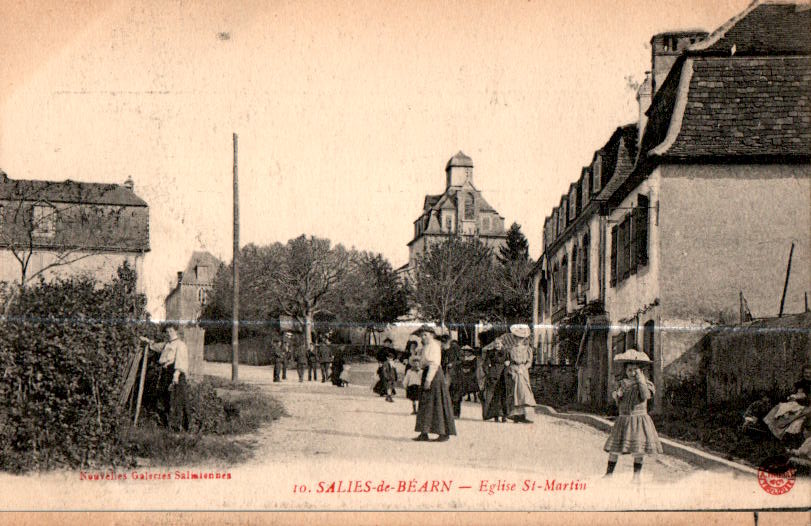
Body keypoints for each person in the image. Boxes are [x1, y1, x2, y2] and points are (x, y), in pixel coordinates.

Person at [603, 348, 663, 483]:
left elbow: (645, 396)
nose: (632, 373)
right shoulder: (622, 384)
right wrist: (617, 395)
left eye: (635, 369)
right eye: (629, 370)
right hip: (624, 419)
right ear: (625, 371)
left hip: (639, 419)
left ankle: (636, 476)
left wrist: (641, 381)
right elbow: (617, 400)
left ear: (641, 371)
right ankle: (608, 474)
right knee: (615, 448)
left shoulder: (646, 384)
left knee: (639, 449)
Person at [140, 323, 189, 432]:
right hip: (166, 373)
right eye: (167, 332)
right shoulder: (166, 344)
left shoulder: (180, 345)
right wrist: (146, 341)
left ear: (176, 331)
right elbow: (154, 346)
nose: (169, 333)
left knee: (176, 400)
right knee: (165, 398)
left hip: (176, 373)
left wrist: (175, 376)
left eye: (171, 331)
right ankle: (167, 425)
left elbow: (180, 362)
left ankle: (179, 427)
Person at [413, 325, 457, 442]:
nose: (423, 337)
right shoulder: (426, 346)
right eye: (422, 335)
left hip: (434, 376)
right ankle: (424, 432)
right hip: (428, 373)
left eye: (425, 334)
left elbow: (434, 364)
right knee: (426, 403)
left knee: (437, 403)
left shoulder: (434, 346)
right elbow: (424, 363)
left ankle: (443, 433)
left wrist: (428, 380)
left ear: (431, 335)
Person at [503, 324, 536, 424]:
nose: (519, 340)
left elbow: (529, 362)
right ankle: (515, 415)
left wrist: (523, 368)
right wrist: (507, 363)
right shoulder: (510, 349)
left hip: (522, 370)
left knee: (524, 391)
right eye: (517, 338)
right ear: (514, 338)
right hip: (513, 369)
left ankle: (526, 415)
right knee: (513, 391)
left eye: (521, 338)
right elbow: (507, 359)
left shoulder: (527, 349)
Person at [481, 339, 509, 423]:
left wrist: (508, 364)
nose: (497, 345)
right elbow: (485, 364)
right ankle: (495, 415)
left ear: (502, 344)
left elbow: (509, 362)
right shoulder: (490, 352)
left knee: (503, 396)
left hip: (503, 376)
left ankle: (504, 416)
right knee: (493, 397)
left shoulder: (506, 352)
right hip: (493, 377)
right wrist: (488, 373)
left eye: (499, 343)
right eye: (496, 344)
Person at [441, 335, 464, 418]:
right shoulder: (443, 350)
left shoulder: (456, 348)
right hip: (446, 373)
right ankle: (448, 412)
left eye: (443, 343)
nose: (442, 345)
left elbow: (462, 359)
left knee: (456, 393)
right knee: (447, 392)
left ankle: (456, 413)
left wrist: (453, 364)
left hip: (456, 374)